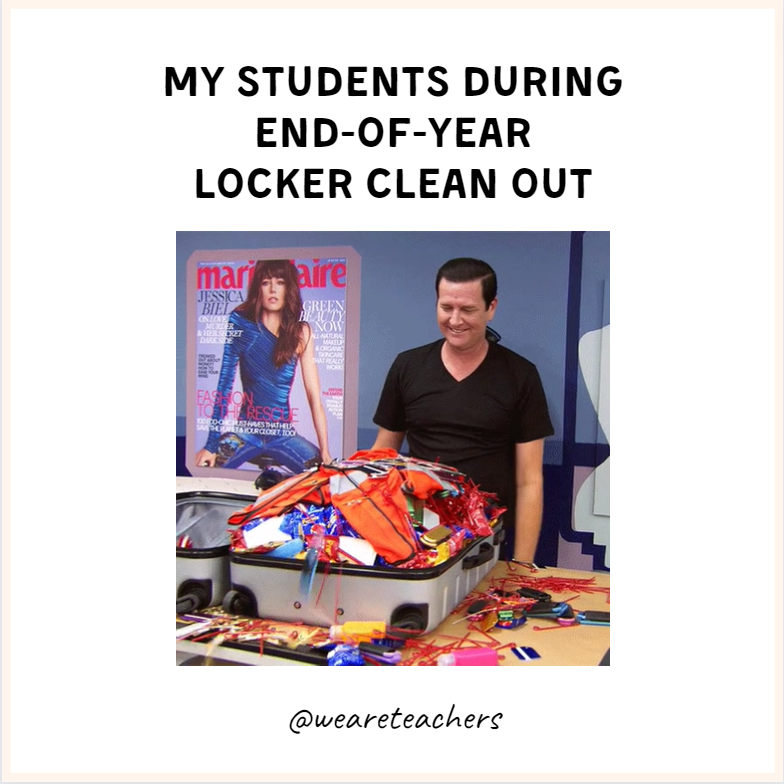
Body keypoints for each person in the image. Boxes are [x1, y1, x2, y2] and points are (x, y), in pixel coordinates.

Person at [371, 257, 554, 562]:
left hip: (486, 540)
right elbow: (382, 456)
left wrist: (521, 565)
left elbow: (529, 480)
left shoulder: (520, 375)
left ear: (491, 308)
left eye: (467, 310)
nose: (455, 320)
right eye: (446, 308)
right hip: (417, 537)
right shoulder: (407, 367)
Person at [195, 258, 332, 472]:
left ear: (289, 288)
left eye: (280, 282)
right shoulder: (240, 322)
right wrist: (211, 445)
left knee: (323, 478)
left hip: (283, 434)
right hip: (245, 432)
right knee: (204, 467)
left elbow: (314, 396)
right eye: (266, 282)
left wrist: (325, 451)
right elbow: (224, 383)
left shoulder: (301, 332)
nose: (273, 289)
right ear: (258, 288)